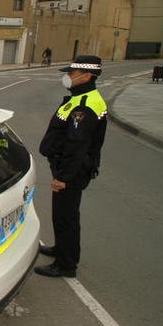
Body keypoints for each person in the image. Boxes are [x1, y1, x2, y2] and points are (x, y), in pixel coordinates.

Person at [36, 55, 108, 278]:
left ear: (87, 75)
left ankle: (65, 265)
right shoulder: (79, 98)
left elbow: (77, 145)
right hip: (67, 168)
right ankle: (61, 249)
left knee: (66, 216)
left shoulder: (85, 106)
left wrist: (63, 177)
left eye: (71, 74)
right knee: (62, 214)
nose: (67, 77)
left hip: (71, 172)